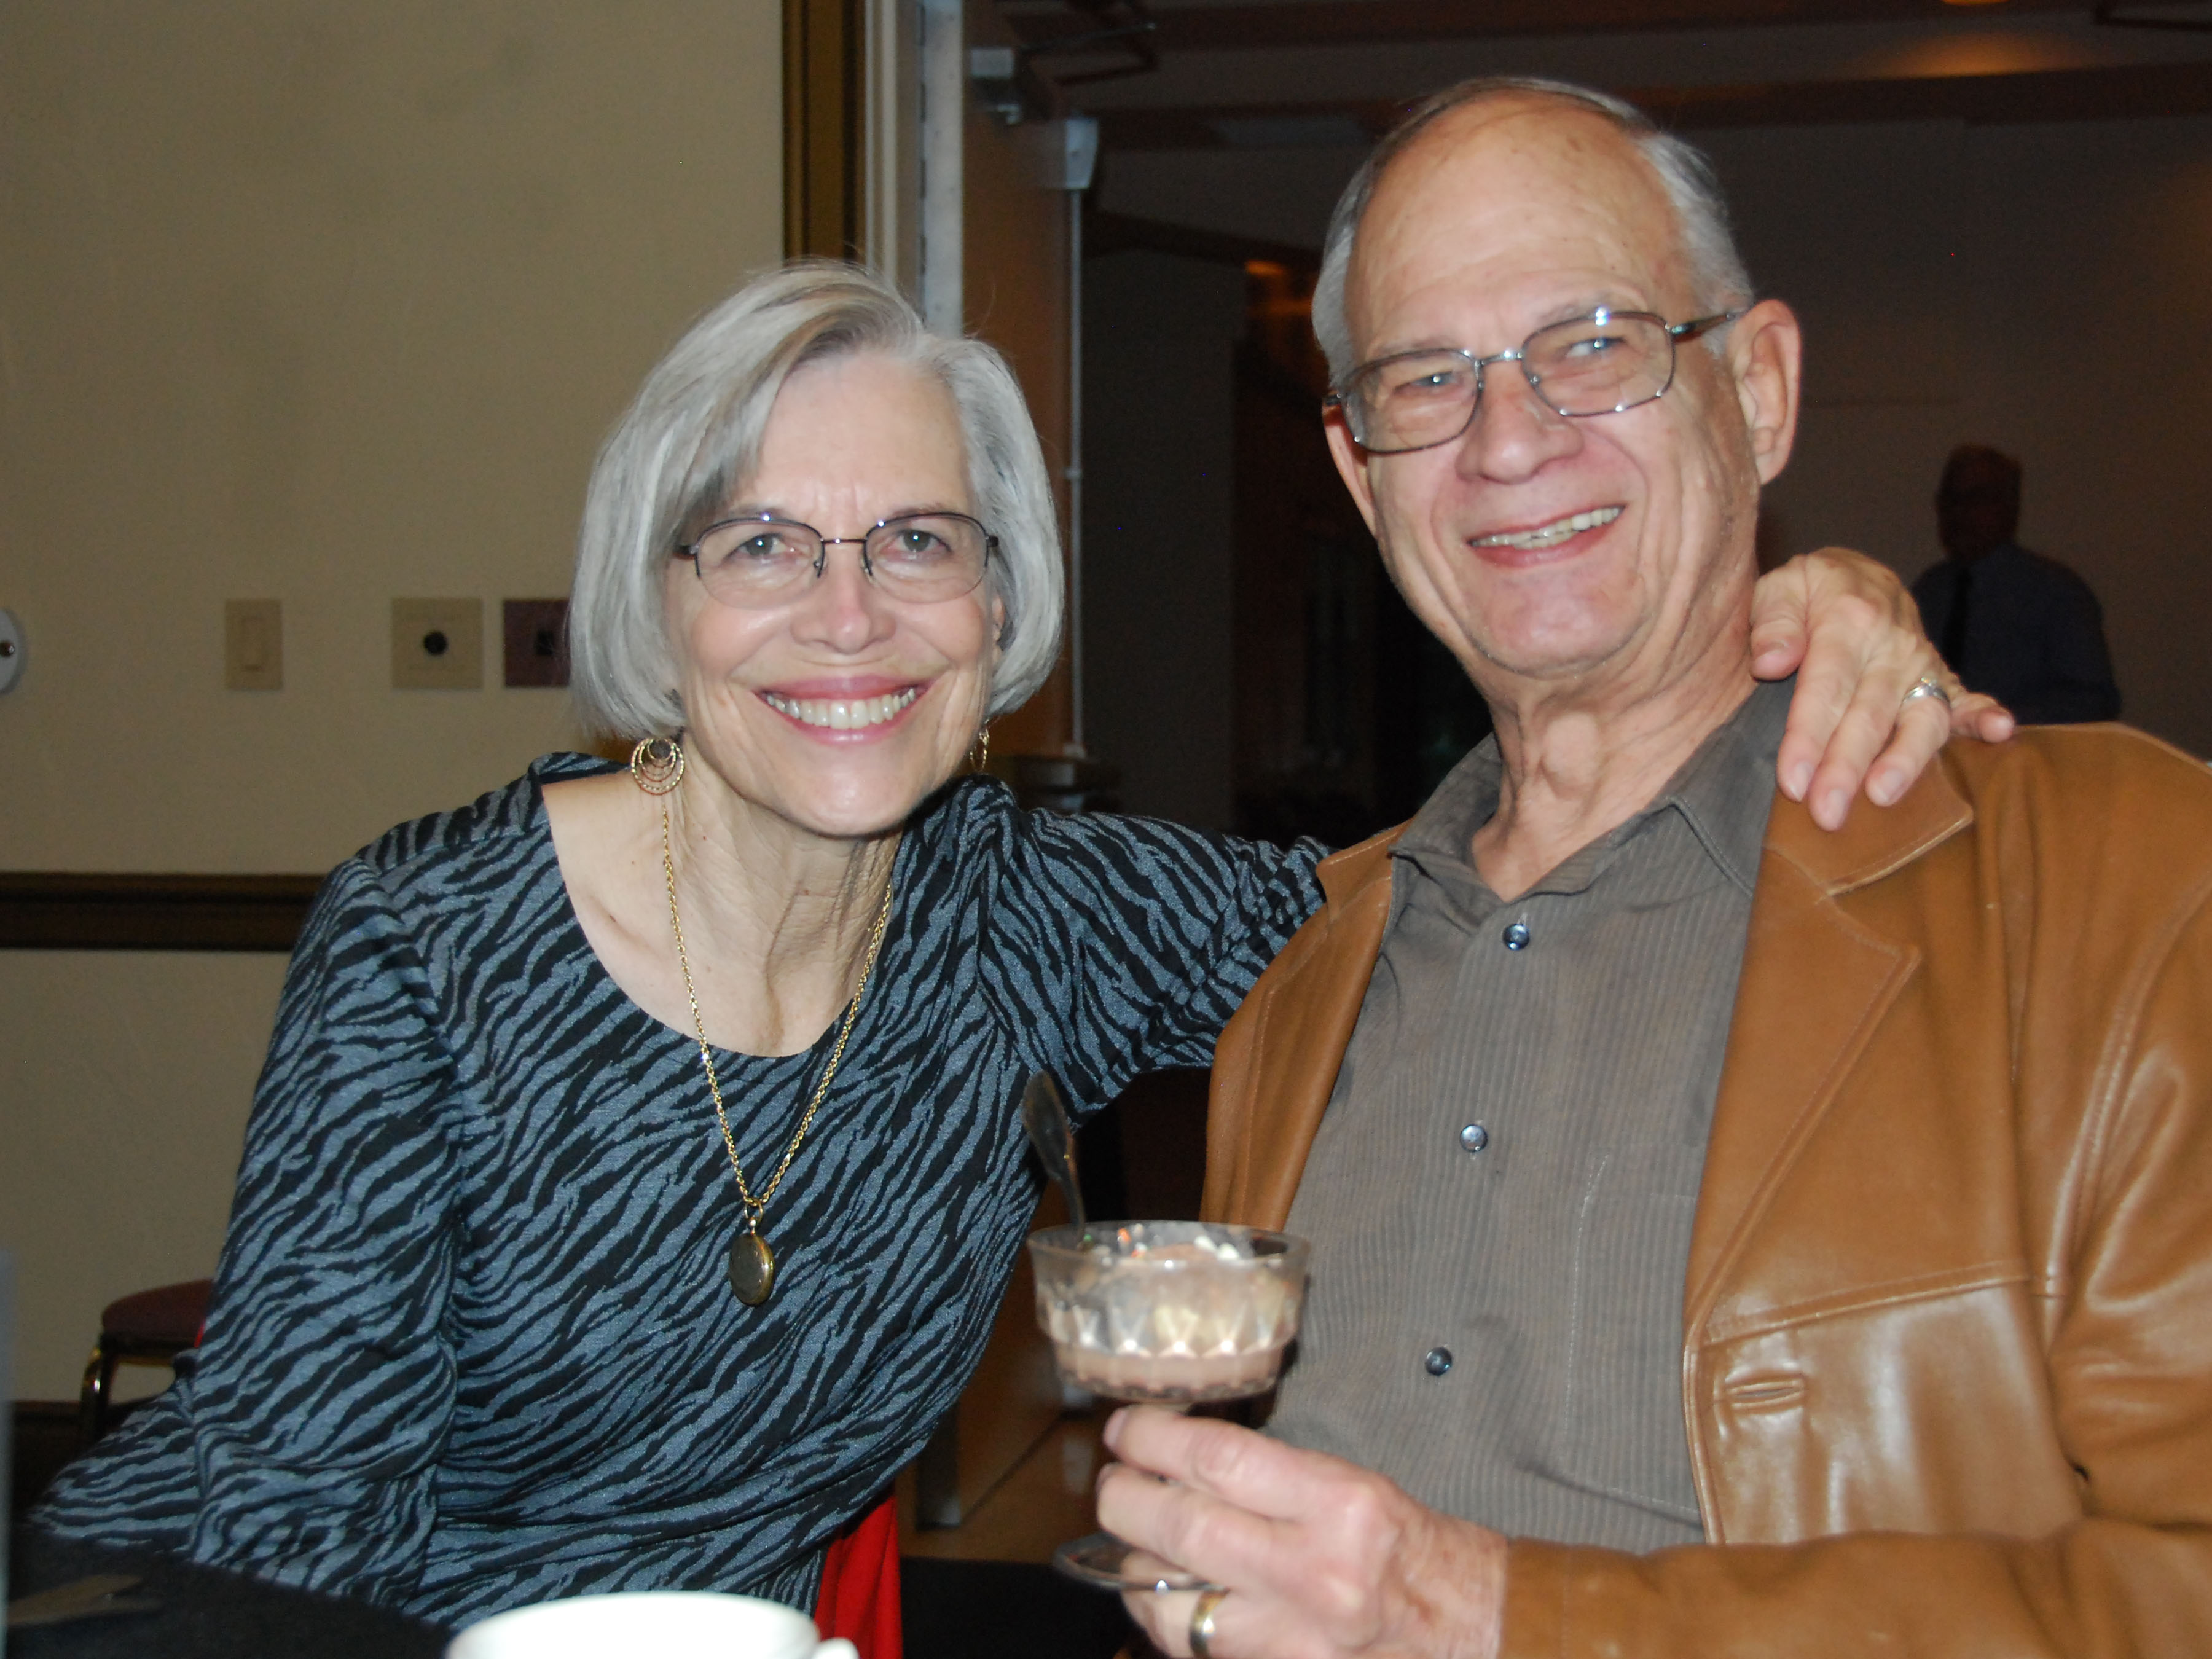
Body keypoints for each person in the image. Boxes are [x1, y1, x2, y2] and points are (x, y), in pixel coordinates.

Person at [34, 263, 1981, 1636]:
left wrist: (1744, 648)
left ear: (997, 605)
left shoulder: (1019, 911)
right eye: (764, 544)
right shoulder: (431, 945)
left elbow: (1450, 901)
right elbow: (285, 1554)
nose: (851, 616)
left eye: (919, 541)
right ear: (661, 599)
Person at [1100, 79, 2212, 1659]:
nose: (1507, 441)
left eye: (1593, 343)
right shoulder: (1301, 992)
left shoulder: (2123, 891)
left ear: (1758, 389)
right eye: (1428, 378)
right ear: (1360, 470)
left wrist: (1489, 1612)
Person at [1912, 443, 2121, 724]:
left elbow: (2094, 699)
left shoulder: (2056, 593)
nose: (1960, 512)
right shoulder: (1929, 592)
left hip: (2024, 746)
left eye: (1977, 499)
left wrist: (1998, 720)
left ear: (2010, 507)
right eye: (1951, 499)